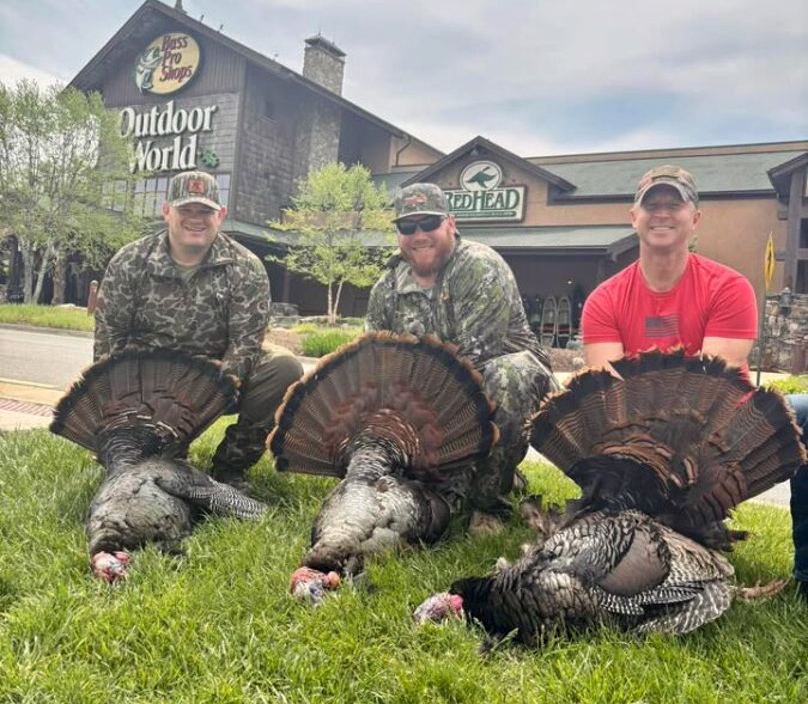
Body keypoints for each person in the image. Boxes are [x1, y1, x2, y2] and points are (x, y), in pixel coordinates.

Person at [581, 164, 807, 602]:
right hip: (636, 448)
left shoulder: (729, 287)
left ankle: (806, 574)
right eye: (652, 204)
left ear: (695, 218)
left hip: (721, 442)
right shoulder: (604, 299)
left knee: (806, 414)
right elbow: (608, 394)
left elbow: (712, 391)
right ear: (634, 217)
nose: (662, 213)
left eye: (675, 204)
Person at [365, 182, 558, 533]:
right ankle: (464, 479)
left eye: (429, 223)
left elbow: (471, 365)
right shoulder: (387, 287)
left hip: (495, 386)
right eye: (408, 226)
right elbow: (374, 362)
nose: (419, 234)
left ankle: (489, 503)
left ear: (451, 224)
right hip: (428, 399)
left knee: (508, 374)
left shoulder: (479, 266)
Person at [94, 170, 303, 487]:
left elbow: (245, 345)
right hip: (150, 382)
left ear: (221, 215)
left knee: (284, 367)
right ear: (167, 211)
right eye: (185, 209)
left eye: (205, 210)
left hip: (217, 378)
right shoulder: (130, 261)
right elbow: (110, 341)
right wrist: (117, 415)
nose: (195, 218)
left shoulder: (246, 267)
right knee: (145, 469)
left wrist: (197, 405)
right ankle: (146, 446)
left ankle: (230, 466)